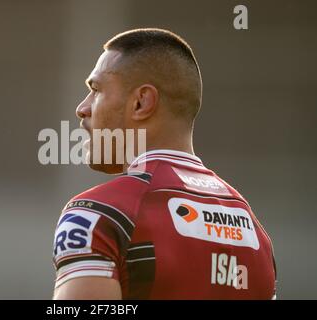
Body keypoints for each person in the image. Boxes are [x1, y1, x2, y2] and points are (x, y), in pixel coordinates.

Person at [52, 28, 276, 299]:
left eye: (96, 90)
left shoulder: (97, 215)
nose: (82, 108)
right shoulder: (254, 230)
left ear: (141, 102)